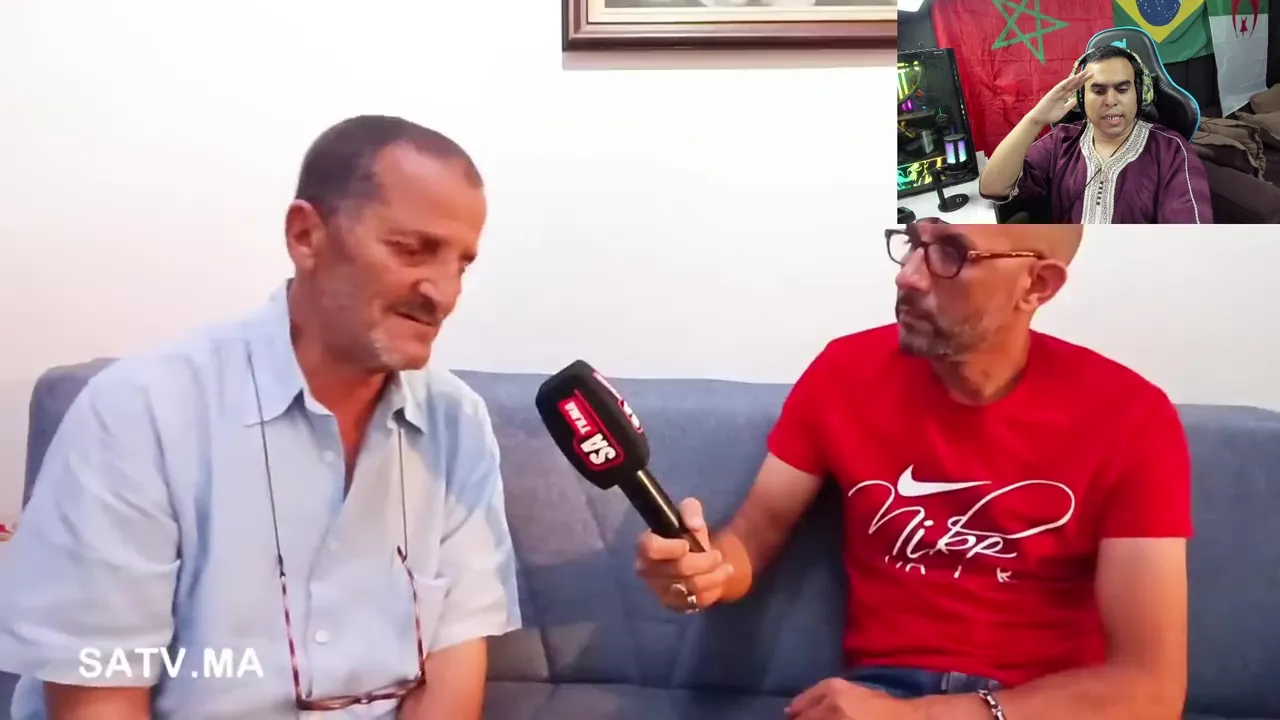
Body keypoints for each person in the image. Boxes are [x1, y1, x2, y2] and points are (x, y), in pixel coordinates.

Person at [0, 115, 521, 719]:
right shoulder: (141, 414)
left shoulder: (458, 424)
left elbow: (453, 667)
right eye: (411, 249)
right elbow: (100, 700)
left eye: (462, 264)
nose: (444, 293)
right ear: (305, 235)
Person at [635, 220, 1191, 720]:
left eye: (951, 252)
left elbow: (1149, 690)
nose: (909, 275)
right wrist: (704, 573)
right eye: (913, 242)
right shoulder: (843, 374)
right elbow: (750, 540)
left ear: (1037, 285)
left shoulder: (1130, 416)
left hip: (1043, 705)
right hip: (880, 692)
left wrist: (921, 716)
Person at [977, 44, 1212, 224]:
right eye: (1098, 91)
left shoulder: (1171, 151)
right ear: (1081, 98)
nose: (1110, 101)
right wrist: (1034, 120)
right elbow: (992, 187)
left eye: (1122, 89)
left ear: (1140, 94)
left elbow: (1189, 240)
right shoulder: (1061, 142)